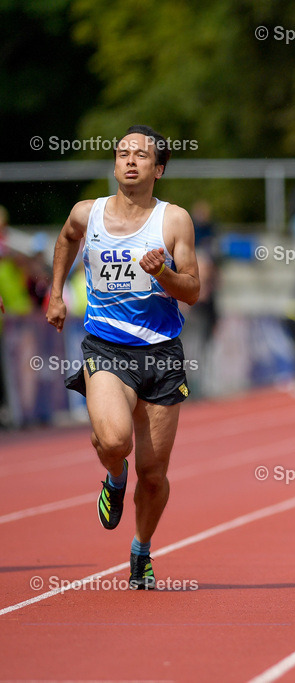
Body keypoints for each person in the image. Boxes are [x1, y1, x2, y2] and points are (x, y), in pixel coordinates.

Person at [46, 125, 200, 589]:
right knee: (115, 442)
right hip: (106, 346)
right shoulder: (86, 213)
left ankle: (141, 550)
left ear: (159, 169)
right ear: (115, 164)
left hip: (161, 354)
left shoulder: (173, 221)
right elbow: (66, 239)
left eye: (141, 155)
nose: (130, 160)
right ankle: (113, 477)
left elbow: (192, 290)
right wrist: (56, 293)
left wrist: (165, 276)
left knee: (153, 475)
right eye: (122, 153)